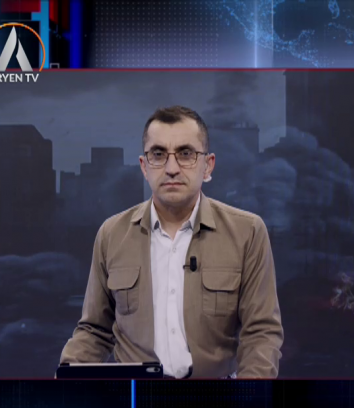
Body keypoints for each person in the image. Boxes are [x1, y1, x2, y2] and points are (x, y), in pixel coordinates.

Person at [60, 106, 283, 379]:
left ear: (208, 165)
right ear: (144, 166)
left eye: (186, 154)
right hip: (136, 397)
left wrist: (247, 397)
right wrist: (66, 378)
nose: (172, 168)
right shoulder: (111, 234)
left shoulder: (247, 232)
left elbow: (261, 333)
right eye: (158, 154)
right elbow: (94, 331)